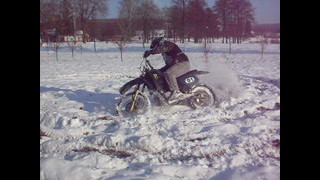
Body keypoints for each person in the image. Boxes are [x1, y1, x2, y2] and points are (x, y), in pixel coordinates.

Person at [143, 37, 191, 103]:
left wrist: (150, 52)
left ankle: (176, 92)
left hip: (182, 63)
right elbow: (168, 65)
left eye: (155, 46)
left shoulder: (169, 45)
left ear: (160, 43)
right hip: (176, 65)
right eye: (154, 48)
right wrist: (158, 72)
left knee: (169, 73)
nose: (155, 48)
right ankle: (166, 94)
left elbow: (161, 49)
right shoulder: (165, 53)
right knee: (160, 74)